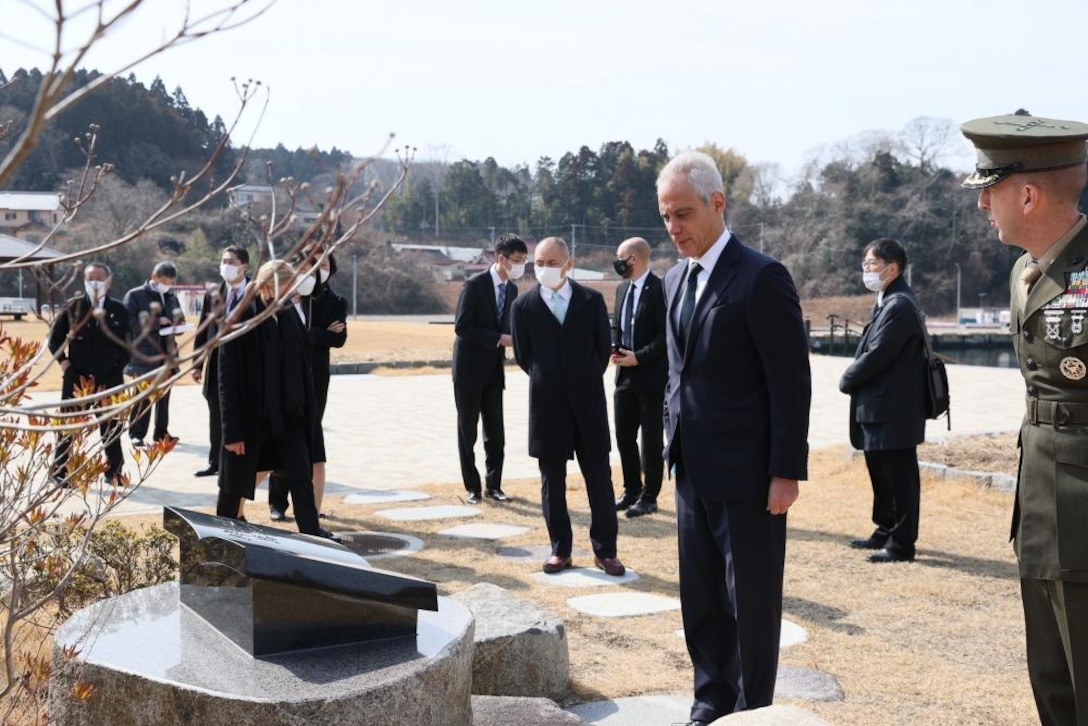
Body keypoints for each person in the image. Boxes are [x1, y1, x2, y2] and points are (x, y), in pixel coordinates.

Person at [657, 151, 810, 723]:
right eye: (666, 216)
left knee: (750, 603)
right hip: (691, 470)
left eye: (684, 214)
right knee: (701, 599)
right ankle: (711, 699)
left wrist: (785, 472)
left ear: (718, 204)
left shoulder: (761, 277)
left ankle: (750, 711)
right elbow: (678, 373)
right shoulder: (674, 279)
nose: (674, 228)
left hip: (750, 475)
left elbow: (790, 383)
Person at [961, 112, 1088, 726]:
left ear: (1029, 193)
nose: (984, 202)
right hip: (1039, 506)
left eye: (991, 187)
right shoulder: (1024, 271)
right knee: (1053, 683)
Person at [510, 236, 625, 577]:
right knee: (552, 481)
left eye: (552, 262)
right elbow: (523, 356)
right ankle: (560, 549)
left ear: (569, 263)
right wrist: (550, 378)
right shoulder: (524, 307)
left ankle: (606, 551)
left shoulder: (591, 301)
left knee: (599, 480)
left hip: (588, 403)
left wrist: (583, 376)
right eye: (539, 263)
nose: (545, 269)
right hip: (547, 406)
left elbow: (602, 348)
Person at [215, 259, 334, 540]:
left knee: (300, 473)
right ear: (270, 285)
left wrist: (307, 413)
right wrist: (232, 432)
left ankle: (311, 531)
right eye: (288, 285)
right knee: (234, 483)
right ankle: (220, 535)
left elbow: (301, 363)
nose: (293, 291)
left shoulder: (288, 313)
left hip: (289, 413)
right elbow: (227, 378)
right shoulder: (242, 316)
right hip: (252, 416)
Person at [839, 238, 927, 564]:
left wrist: (848, 378)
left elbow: (879, 354)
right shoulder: (887, 300)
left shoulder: (899, 305)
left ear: (892, 268)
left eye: (872, 264)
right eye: (865, 264)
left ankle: (902, 544)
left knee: (900, 476)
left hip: (895, 409)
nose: (866, 270)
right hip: (880, 406)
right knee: (881, 472)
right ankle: (885, 529)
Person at [268, 248, 347, 519]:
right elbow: (296, 335)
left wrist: (313, 335)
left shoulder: (335, 301)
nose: (320, 269)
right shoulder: (291, 298)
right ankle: (277, 503)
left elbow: (338, 339)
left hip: (317, 376)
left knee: (309, 440)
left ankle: (309, 504)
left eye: (325, 264)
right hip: (288, 376)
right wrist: (318, 333)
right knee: (285, 436)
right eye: (315, 264)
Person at [452, 233, 528, 504]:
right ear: (500, 258)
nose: (521, 266)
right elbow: (462, 327)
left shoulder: (513, 291)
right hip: (469, 369)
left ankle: (494, 485)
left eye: (524, 261)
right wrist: (498, 339)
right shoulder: (475, 285)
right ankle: (472, 487)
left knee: (496, 432)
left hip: (495, 370)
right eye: (516, 260)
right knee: (468, 430)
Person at [48, 262, 131, 487]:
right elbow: (54, 339)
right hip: (77, 379)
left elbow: (128, 345)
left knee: (111, 427)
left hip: (110, 380)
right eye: (90, 277)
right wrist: (64, 363)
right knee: (68, 427)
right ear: (84, 280)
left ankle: (114, 471)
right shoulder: (72, 307)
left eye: (99, 277)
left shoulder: (119, 310)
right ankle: (60, 472)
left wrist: (117, 369)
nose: (94, 280)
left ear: (109, 280)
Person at [610, 236, 667, 518]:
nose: (617, 262)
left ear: (634, 258)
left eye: (620, 257)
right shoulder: (622, 290)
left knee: (651, 440)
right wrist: (615, 349)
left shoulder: (660, 290)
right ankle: (631, 488)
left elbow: (665, 336)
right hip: (624, 377)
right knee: (623, 435)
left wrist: (639, 357)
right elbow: (616, 327)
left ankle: (649, 495)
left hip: (651, 377)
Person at [192, 245, 250, 478]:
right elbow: (202, 330)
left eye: (232, 262)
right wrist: (197, 363)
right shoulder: (213, 294)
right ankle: (216, 461)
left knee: (244, 412)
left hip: (247, 363)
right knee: (217, 412)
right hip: (217, 364)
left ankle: (243, 459)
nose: (226, 265)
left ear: (244, 266)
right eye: (224, 260)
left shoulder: (256, 291)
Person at [123, 261, 182, 448]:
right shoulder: (135, 295)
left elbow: (178, 319)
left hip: (168, 354)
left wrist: (179, 325)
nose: (168, 285)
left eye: (171, 282)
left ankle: (161, 433)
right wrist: (157, 322)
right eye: (165, 281)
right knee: (142, 396)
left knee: (164, 396)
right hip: (144, 355)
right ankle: (136, 433)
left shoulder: (171, 296)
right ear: (154, 277)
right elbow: (129, 323)